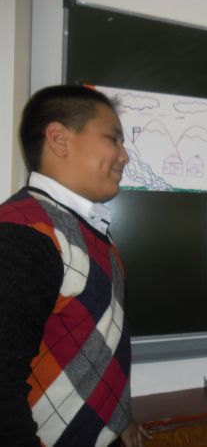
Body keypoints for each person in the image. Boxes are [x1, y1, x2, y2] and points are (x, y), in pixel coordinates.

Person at [0, 85, 147, 446]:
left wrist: (120, 417)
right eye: (113, 138)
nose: (124, 156)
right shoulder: (21, 234)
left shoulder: (91, 231)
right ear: (59, 139)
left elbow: (98, 342)